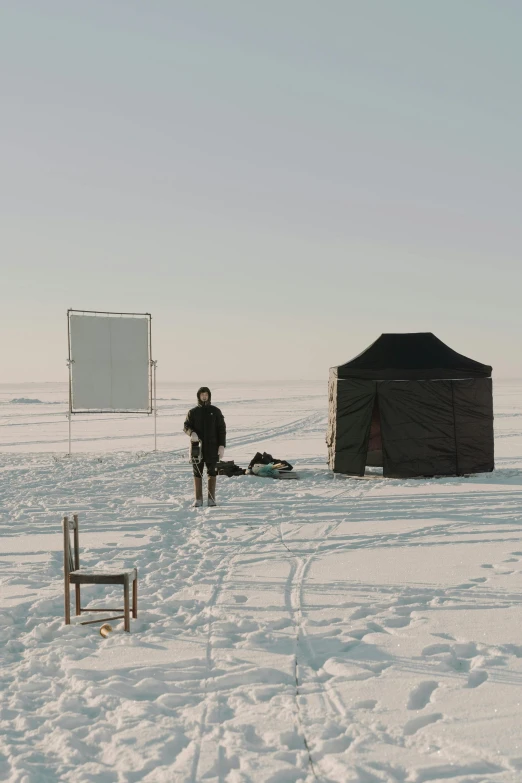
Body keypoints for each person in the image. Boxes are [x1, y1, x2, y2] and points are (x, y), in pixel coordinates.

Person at [184, 386, 226, 507]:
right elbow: (186, 426)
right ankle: (198, 499)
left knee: (212, 471)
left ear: (209, 396)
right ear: (198, 396)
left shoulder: (216, 411)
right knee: (197, 471)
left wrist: (221, 445)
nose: (204, 396)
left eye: (206, 394)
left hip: (212, 447)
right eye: (202, 394)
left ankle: (211, 499)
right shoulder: (193, 412)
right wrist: (192, 433)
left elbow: (221, 429)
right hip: (197, 447)